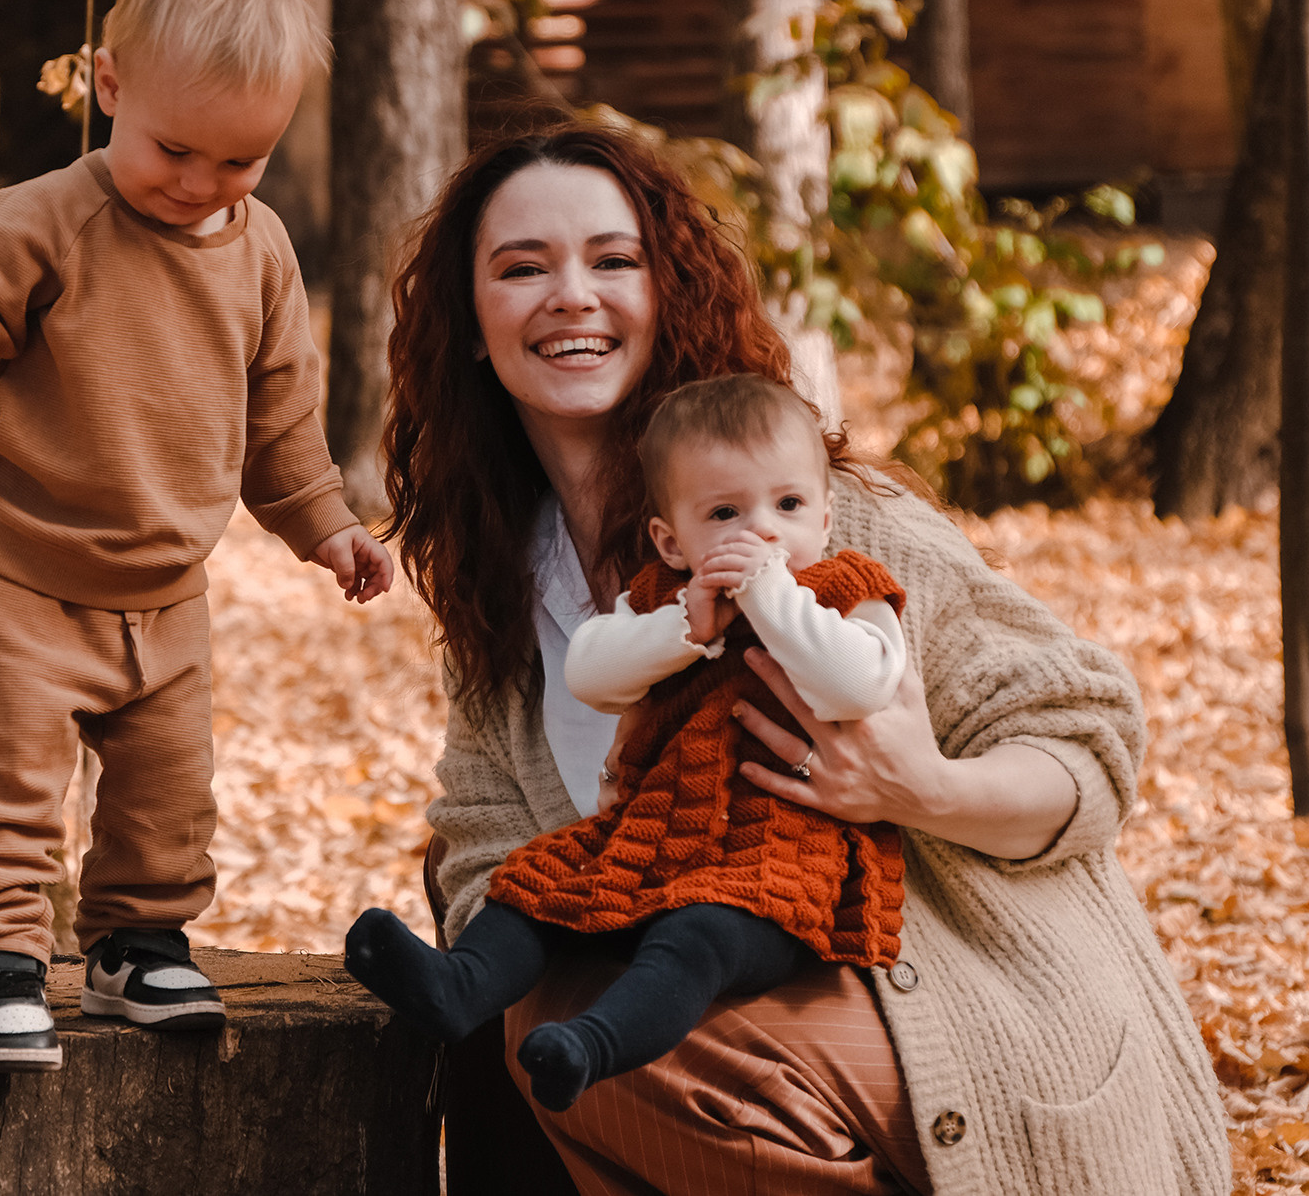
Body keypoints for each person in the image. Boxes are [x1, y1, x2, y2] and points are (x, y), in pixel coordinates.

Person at [379, 121, 1231, 1194]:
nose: (571, 295)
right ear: (471, 324)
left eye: (611, 259)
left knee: (635, 1052)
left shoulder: (827, 529)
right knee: (571, 1028)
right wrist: (612, 841)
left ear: (664, 291)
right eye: (521, 269)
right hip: (721, 1003)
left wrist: (919, 786)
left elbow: (1086, 742)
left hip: (963, 1004)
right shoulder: (504, 597)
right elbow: (474, 849)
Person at [0, 0, 393, 1073]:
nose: (200, 182)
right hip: (18, 566)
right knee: (6, 787)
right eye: (176, 150)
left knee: (167, 793)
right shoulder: (52, 219)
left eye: (241, 158)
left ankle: (137, 942)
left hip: (166, 586)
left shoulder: (262, 249)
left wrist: (325, 524)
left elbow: (279, 419)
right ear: (111, 86)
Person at [347, 373, 912, 1112]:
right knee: (537, 881)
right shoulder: (667, 602)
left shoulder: (847, 591)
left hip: (780, 864)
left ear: (827, 514)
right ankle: (462, 987)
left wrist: (774, 600)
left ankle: (590, 1044)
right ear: (670, 540)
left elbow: (858, 684)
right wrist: (685, 628)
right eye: (725, 513)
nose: (763, 531)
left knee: (697, 934)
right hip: (655, 838)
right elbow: (592, 671)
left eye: (789, 505)